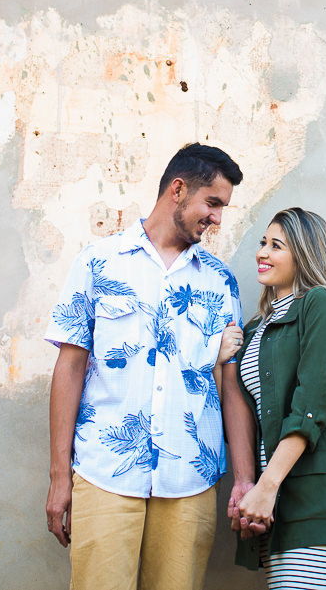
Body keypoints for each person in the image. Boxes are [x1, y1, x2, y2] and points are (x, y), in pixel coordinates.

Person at [44, 142, 257, 590]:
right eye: (213, 203)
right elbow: (69, 370)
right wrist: (60, 477)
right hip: (105, 471)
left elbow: (230, 386)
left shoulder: (220, 281)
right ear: (178, 190)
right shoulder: (97, 263)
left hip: (190, 479)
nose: (218, 218)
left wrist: (243, 479)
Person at [230, 207, 326, 589]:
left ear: (304, 253)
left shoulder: (321, 305)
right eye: (263, 243)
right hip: (276, 499)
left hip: (317, 497)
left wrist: (266, 488)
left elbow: (310, 408)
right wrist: (222, 364)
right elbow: (243, 412)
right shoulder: (255, 328)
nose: (262, 252)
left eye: (276, 245)